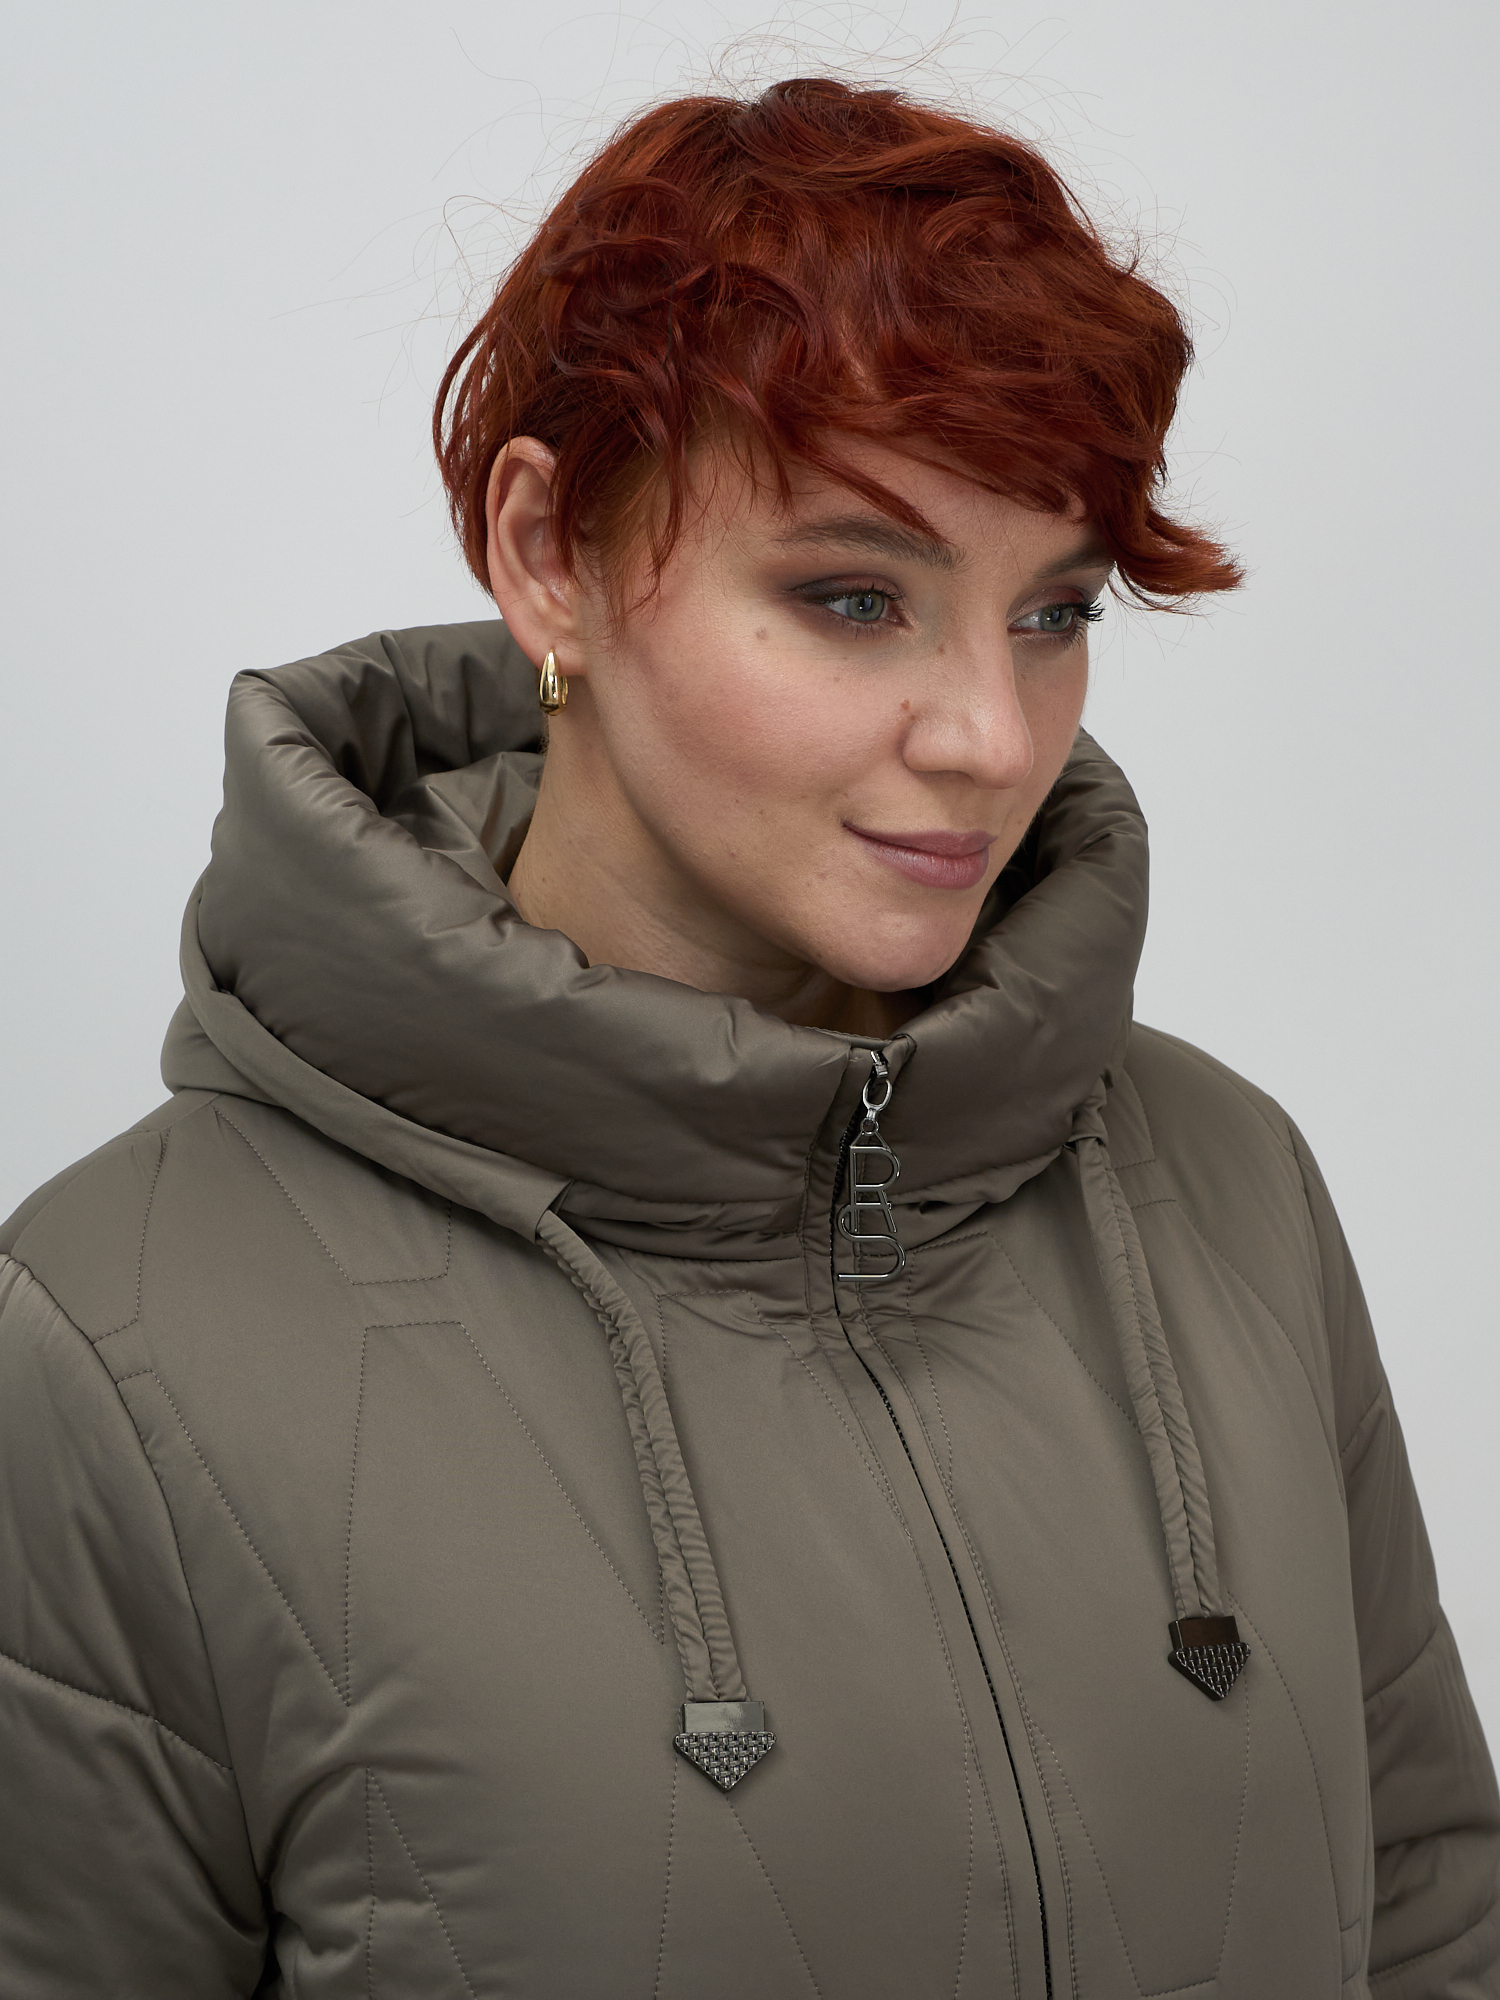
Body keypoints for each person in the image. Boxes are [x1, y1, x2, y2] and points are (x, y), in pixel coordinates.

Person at [1, 75, 1494, 2000]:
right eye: (856, 597)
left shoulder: (1228, 1184)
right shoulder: (109, 1339)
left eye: (1052, 613)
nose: (990, 736)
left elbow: (1430, 1911)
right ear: (549, 552)